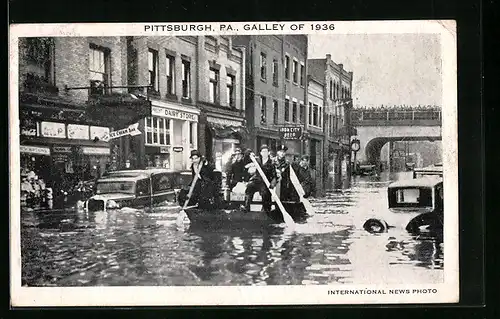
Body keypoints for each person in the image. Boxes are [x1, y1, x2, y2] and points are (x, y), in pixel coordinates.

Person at [243, 144, 277, 214]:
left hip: (265, 182)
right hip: (257, 181)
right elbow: (246, 158)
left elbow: (274, 175)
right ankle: (246, 207)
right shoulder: (257, 160)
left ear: (268, 153)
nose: (264, 153)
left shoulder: (271, 163)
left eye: (266, 151)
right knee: (249, 187)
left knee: (264, 193)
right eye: (263, 152)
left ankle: (265, 210)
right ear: (261, 153)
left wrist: (273, 183)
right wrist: (249, 152)